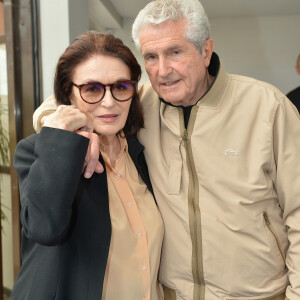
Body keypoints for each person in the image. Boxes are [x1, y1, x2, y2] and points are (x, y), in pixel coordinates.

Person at [33, 0, 300, 299]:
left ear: (205, 50)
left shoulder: (267, 108)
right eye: (151, 56)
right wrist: (63, 127)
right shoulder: (139, 101)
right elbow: (74, 96)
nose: (162, 71)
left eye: (175, 52)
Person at [11, 31, 164, 300]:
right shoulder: (36, 151)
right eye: (92, 88)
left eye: (120, 87)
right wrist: (59, 137)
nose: (109, 101)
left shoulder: (141, 153)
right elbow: (44, 228)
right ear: (68, 95)